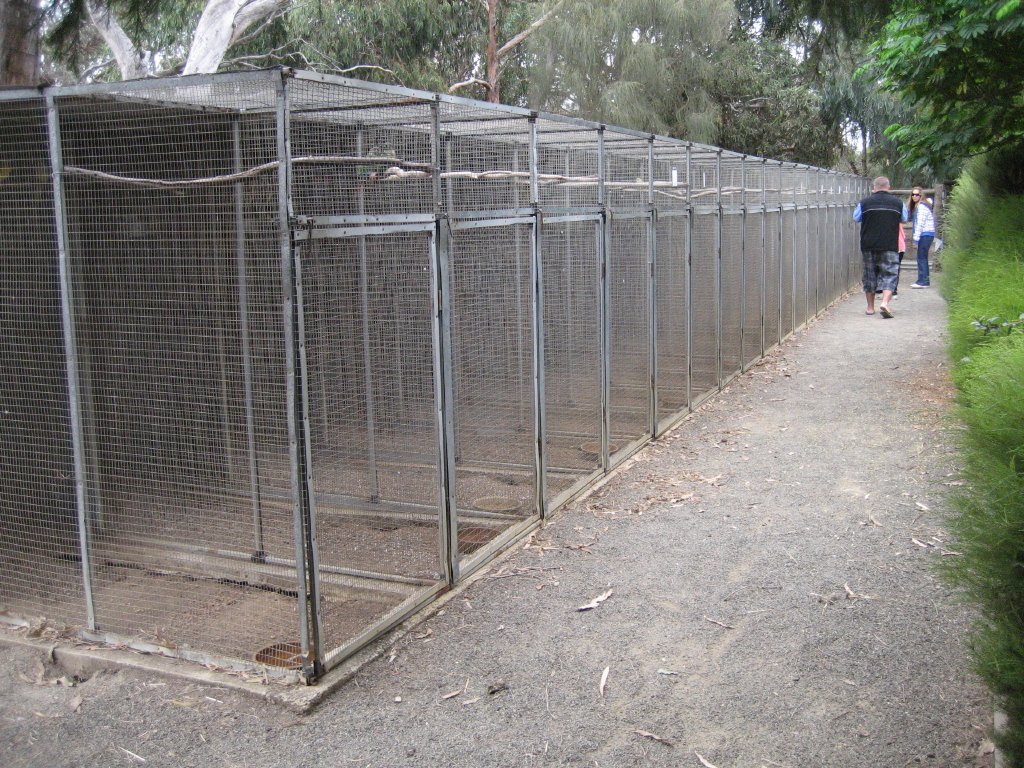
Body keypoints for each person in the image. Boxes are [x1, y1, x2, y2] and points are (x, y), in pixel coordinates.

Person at [853, 176, 909, 318]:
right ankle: (884, 302)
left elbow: (856, 217)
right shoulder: (898, 203)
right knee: (890, 273)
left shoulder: (864, 203)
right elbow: (904, 218)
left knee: (869, 274)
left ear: (874, 187)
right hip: (889, 244)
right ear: (888, 187)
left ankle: (870, 308)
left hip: (868, 244)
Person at [908, 187, 936, 287]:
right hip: (926, 234)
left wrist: (916, 239)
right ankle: (924, 280)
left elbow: (920, 224)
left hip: (925, 234)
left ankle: (923, 281)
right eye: (913, 194)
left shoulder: (922, 207)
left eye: (917, 195)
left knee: (921, 258)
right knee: (922, 257)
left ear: (921, 196)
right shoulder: (920, 206)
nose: (914, 196)